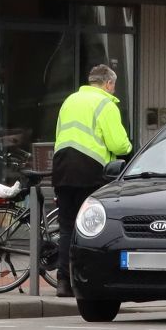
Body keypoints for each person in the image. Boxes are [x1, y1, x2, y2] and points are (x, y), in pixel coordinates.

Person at [51, 65, 133, 298]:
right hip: (91, 171)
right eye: (113, 86)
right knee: (93, 227)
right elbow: (118, 144)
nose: (114, 91)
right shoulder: (106, 104)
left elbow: (59, 134)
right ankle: (90, 278)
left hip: (62, 169)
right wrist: (130, 150)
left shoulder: (70, 100)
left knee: (67, 227)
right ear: (108, 84)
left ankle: (63, 282)